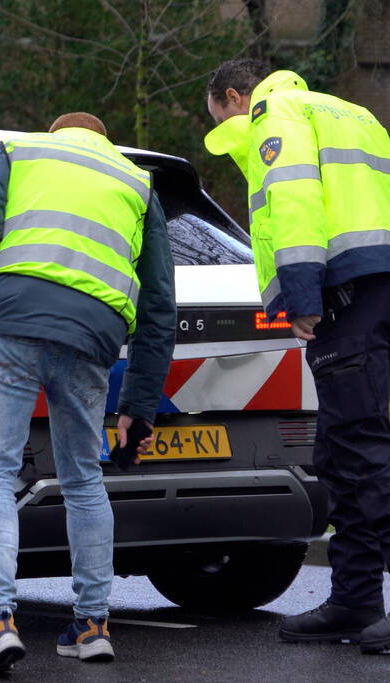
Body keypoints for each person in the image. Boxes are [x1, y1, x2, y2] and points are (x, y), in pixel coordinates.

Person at [0, 112, 176, 675]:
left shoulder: (17, 153)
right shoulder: (137, 182)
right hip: (92, 338)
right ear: (103, 138)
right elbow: (159, 309)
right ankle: (92, 624)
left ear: (57, 134)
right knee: (83, 478)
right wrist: (138, 409)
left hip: (11, 322)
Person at [204, 58, 390, 655]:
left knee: (363, 451)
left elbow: (293, 201)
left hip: (345, 294)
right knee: (343, 448)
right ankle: (357, 599)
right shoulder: (352, 112)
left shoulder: (273, 112)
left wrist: (302, 294)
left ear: (235, 95)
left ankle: (360, 598)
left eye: (221, 116)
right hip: (376, 289)